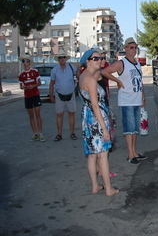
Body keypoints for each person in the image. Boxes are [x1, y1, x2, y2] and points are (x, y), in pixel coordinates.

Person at [78, 49, 119, 196]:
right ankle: (109, 189)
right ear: (87, 61)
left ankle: (95, 186)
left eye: (101, 58)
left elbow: (98, 73)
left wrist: (100, 56)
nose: (99, 60)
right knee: (102, 154)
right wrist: (104, 129)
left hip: (87, 117)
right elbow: (95, 105)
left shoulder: (85, 75)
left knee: (92, 154)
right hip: (96, 118)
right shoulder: (90, 79)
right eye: (95, 58)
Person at [102, 37, 147, 165]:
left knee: (135, 129)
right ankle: (130, 154)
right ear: (126, 49)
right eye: (131, 47)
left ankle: (134, 152)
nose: (134, 50)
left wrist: (143, 97)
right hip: (126, 100)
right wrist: (117, 81)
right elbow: (105, 72)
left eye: (135, 47)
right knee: (129, 128)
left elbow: (140, 81)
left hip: (137, 99)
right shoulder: (122, 63)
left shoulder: (137, 63)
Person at [49, 52, 78, 142]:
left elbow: (78, 76)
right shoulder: (54, 70)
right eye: (60, 57)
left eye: (64, 57)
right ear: (58, 59)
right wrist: (51, 95)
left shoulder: (71, 67)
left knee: (71, 114)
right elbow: (52, 83)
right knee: (59, 115)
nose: (62, 59)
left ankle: (72, 133)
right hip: (59, 95)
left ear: (66, 58)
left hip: (71, 94)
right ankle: (59, 134)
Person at [18, 55, 44, 142]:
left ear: (29, 62)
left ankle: (40, 133)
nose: (25, 62)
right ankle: (35, 133)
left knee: (37, 114)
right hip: (27, 96)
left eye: (26, 61)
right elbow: (21, 86)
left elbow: (39, 83)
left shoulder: (35, 71)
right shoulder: (21, 74)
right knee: (31, 115)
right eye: (23, 61)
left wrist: (33, 86)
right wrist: (24, 87)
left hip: (35, 94)